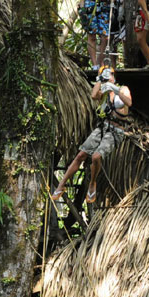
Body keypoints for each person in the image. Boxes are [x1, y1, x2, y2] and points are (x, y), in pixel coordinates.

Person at [51, 66, 131, 204]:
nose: (109, 76)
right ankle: (61, 184)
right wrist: (100, 80)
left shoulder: (123, 89)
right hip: (102, 127)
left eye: (111, 74)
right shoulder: (103, 92)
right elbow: (94, 95)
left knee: (96, 156)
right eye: (106, 75)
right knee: (81, 155)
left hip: (116, 131)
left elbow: (129, 102)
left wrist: (114, 88)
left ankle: (92, 183)